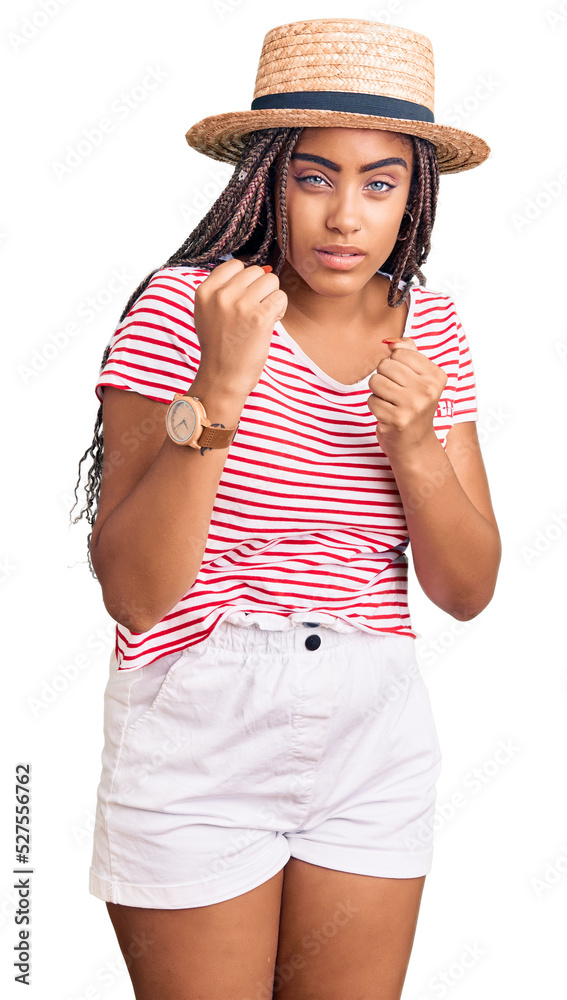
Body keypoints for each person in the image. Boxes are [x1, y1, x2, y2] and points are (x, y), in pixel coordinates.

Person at [72, 17, 501, 1000]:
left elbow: (468, 590)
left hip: (373, 726)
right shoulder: (187, 309)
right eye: (315, 177)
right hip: (200, 721)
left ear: (414, 197)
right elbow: (134, 592)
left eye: (379, 183)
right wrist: (220, 389)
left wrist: (415, 446)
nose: (345, 216)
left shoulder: (432, 328)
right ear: (266, 179)